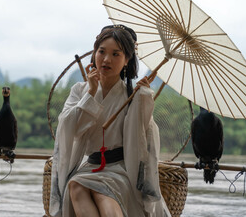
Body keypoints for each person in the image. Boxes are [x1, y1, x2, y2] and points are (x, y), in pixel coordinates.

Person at [49, 25, 171, 217]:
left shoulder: (132, 95)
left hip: (120, 170)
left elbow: (142, 137)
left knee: (103, 196)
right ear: (94, 53)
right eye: (102, 52)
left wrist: (143, 100)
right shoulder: (80, 90)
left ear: (126, 60)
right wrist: (90, 93)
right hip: (90, 166)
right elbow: (71, 129)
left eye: (116, 54)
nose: (106, 59)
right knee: (75, 186)